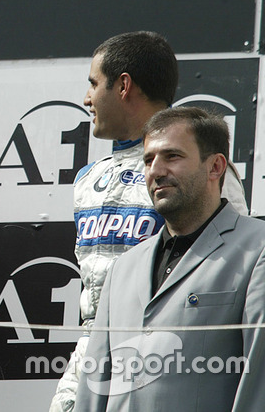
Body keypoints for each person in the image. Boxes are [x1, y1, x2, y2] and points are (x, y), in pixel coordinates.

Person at [50, 31, 248, 412]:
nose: (86, 99)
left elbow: (230, 269)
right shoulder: (88, 179)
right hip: (91, 355)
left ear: (123, 85)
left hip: (175, 359)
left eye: (93, 84)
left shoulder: (199, 173)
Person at [73, 107, 265, 411]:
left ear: (215, 167)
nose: (155, 171)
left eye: (172, 157)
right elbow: (92, 389)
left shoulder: (258, 249)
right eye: (149, 159)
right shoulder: (124, 267)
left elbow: (259, 384)